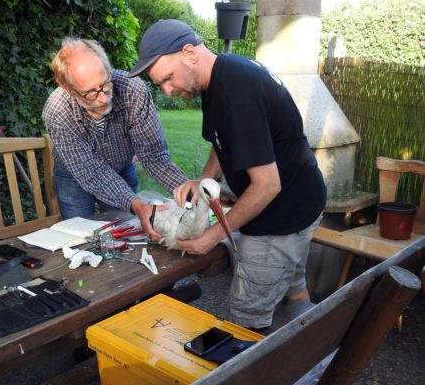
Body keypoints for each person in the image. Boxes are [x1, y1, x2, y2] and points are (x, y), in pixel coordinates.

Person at [128, 20, 327, 330]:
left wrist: (214, 235)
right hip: (303, 197)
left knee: (246, 317)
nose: (168, 90)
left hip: (282, 215)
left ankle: (274, 362)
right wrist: (201, 179)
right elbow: (222, 140)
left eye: (168, 78)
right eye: (160, 84)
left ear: (189, 53)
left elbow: (267, 185)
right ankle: (308, 341)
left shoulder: (237, 93)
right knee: (291, 283)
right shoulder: (220, 75)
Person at [43, 37, 187, 236]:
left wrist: (185, 189)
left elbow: (153, 156)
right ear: (67, 87)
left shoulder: (132, 90)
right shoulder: (57, 111)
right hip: (74, 176)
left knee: (127, 231)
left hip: (120, 167)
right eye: (90, 93)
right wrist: (137, 204)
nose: (103, 97)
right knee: (81, 238)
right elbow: (92, 172)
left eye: (105, 84)